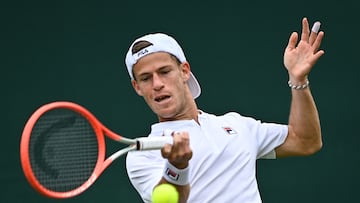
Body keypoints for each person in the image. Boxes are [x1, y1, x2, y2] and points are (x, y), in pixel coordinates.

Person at [125, 17, 324, 203]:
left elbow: (306, 141)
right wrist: (177, 166)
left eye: (164, 71)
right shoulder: (142, 155)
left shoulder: (236, 125)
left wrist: (298, 80)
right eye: (145, 78)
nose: (157, 84)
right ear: (137, 87)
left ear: (184, 71)